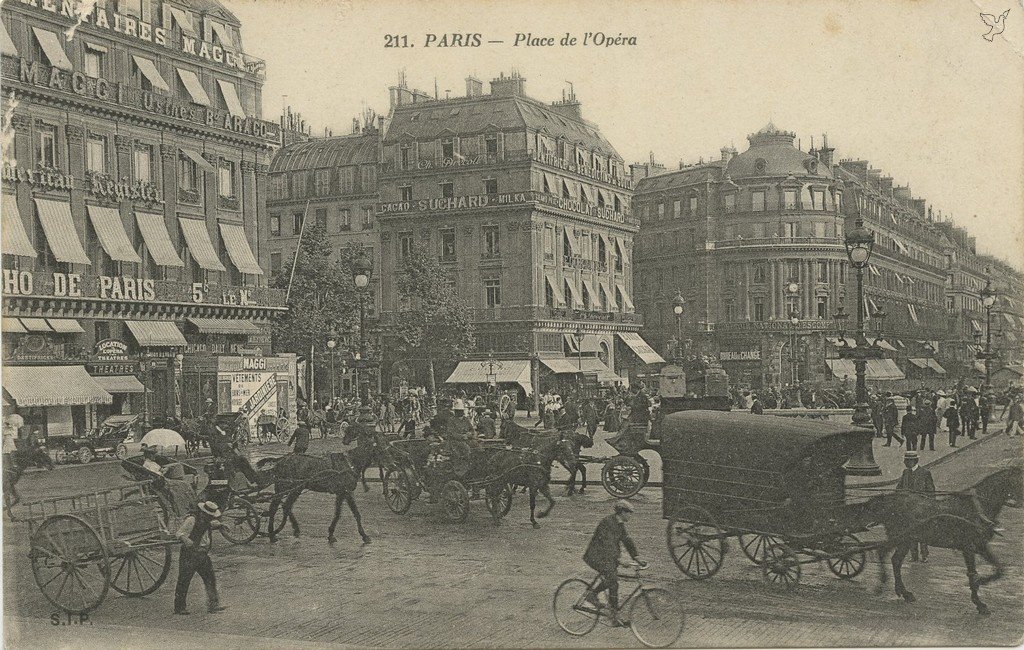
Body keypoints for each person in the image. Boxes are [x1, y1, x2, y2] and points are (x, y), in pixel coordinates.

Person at [583, 500, 645, 627]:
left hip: (607, 557)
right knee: (613, 580)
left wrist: (636, 557)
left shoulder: (620, 524)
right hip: (596, 556)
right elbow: (608, 545)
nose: (630, 516)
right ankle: (594, 597)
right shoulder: (608, 523)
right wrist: (619, 560)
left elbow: (627, 540)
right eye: (629, 513)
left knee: (613, 583)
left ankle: (612, 614)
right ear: (622, 512)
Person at [174, 501, 227, 615]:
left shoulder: (207, 521)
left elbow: (213, 524)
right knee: (184, 580)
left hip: (202, 555)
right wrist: (185, 540)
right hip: (190, 554)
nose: (210, 518)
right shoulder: (191, 520)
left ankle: (213, 605)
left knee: (210, 579)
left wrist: (221, 525)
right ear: (203, 514)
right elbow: (179, 533)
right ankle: (179, 607)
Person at [896, 451, 934, 562]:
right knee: (911, 532)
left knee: (922, 533)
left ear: (913, 461)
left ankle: (924, 555)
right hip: (908, 509)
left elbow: (931, 492)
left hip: (921, 508)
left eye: (906, 460)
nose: (904, 462)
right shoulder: (905, 472)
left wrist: (928, 506)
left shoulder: (925, 473)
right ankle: (914, 556)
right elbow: (898, 489)